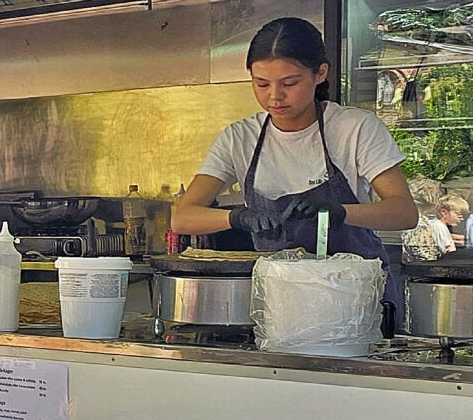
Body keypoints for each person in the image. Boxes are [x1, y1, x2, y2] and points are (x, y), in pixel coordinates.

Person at [172, 17, 417, 286]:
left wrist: (341, 212)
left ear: (320, 73)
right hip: (279, 298)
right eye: (262, 84)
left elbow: (404, 212)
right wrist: (237, 217)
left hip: (353, 296)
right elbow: (183, 218)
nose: (275, 96)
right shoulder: (239, 138)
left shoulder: (355, 128)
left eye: (289, 83)